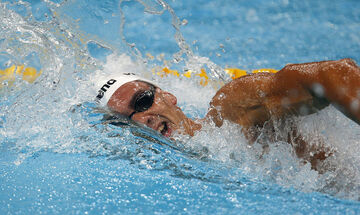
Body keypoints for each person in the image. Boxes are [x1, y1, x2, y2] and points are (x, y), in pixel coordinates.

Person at [95, 58, 360, 171]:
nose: (143, 119)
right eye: (125, 120)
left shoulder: (230, 112)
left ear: (167, 96)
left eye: (143, 101)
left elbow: (334, 74)